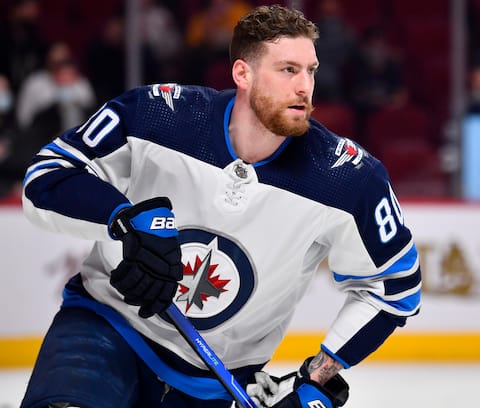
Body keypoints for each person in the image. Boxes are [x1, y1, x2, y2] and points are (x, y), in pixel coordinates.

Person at [21, 5, 421, 408]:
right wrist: (123, 221)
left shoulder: (348, 179)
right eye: (288, 70)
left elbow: (394, 287)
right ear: (242, 74)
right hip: (105, 330)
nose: (304, 87)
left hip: (215, 381)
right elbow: (48, 175)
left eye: (310, 71)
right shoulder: (157, 116)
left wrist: (315, 376)